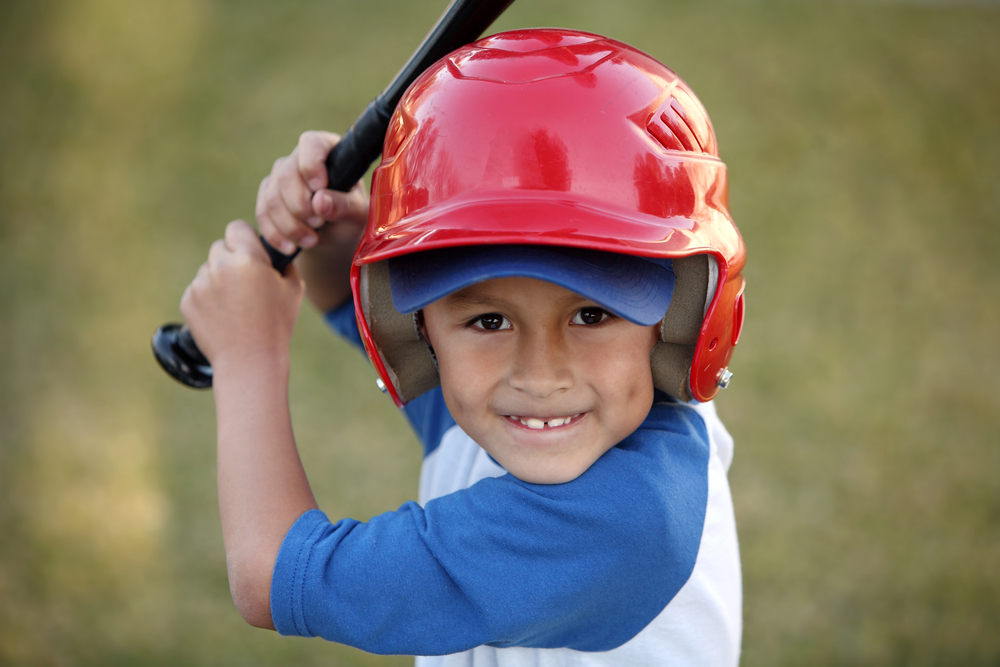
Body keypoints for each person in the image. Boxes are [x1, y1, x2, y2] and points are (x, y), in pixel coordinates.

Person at [180, 28, 747, 666]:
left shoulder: (620, 520)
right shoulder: (559, 417)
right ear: (418, 329)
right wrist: (333, 242)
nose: (539, 376)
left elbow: (272, 576)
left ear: (676, 322)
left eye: (591, 314)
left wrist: (245, 359)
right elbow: (354, 310)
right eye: (488, 323)